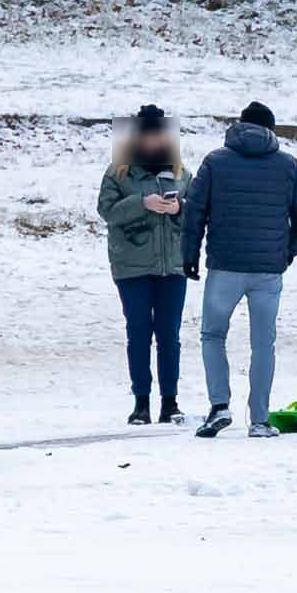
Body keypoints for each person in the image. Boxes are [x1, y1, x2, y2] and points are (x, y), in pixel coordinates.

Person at [180, 100, 297, 440]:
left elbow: (194, 212)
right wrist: (286, 254)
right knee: (263, 344)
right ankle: (260, 420)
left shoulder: (215, 161)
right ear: (271, 129)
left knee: (213, 335)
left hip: (225, 266)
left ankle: (219, 406)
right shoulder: (288, 165)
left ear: (240, 125)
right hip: (268, 269)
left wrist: (189, 255)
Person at [96, 104, 188, 425]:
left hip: (172, 267)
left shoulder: (181, 173)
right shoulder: (118, 172)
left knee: (169, 336)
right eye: (146, 135)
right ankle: (141, 403)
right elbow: (107, 211)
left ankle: (170, 402)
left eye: (157, 134)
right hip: (132, 267)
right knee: (138, 333)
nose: (152, 141)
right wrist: (142, 203)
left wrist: (179, 208)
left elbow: (197, 212)